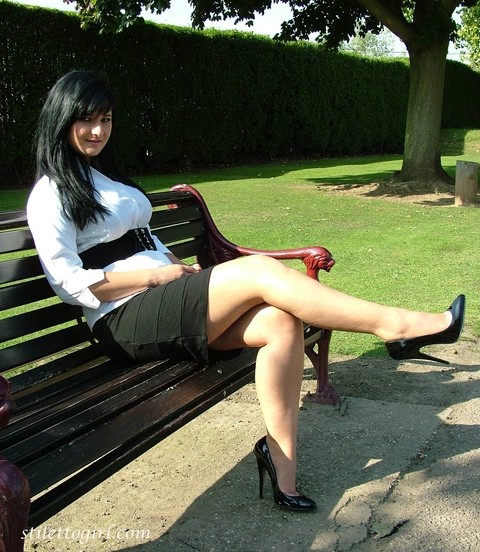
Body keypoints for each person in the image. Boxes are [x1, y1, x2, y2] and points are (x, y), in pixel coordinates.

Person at [27, 70, 466, 512]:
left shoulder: (103, 176)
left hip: (160, 300)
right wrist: (154, 277)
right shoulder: (51, 192)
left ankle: (283, 467)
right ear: (62, 120)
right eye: (87, 119)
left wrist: (172, 265)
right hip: (122, 316)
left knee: (280, 322)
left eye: (106, 118)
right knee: (258, 271)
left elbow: (138, 239)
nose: (99, 130)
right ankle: (396, 327)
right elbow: (67, 281)